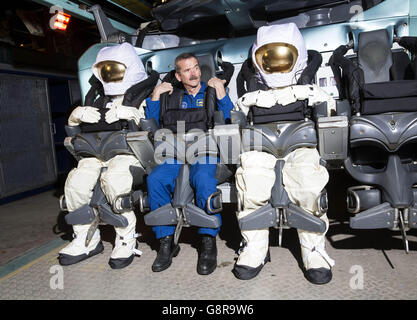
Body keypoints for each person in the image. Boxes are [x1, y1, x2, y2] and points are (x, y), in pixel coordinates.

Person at [233, 23, 335, 284]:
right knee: (250, 182)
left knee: (307, 183)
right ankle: (255, 248)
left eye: (282, 55)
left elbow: (330, 112)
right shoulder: (251, 97)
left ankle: (313, 251)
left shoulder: (309, 92)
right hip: (261, 148)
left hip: (300, 148)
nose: (276, 63)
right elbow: (235, 120)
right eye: (269, 57)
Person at [58, 42, 156, 269]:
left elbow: (156, 129)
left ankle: (125, 237)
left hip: (128, 153)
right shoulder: (96, 97)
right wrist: (75, 117)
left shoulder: (144, 95)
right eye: (107, 70)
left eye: (116, 69)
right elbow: (76, 132)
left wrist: (133, 114)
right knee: (76, 183)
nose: (111, 75)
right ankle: (86, 237)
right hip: (95, 153)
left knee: (115, 180)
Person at [145, 52, 234, 275]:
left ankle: (207, 241)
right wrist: (156, 94)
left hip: (205, 150)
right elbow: (151, 122)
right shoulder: (171, 95)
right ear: (178, 75)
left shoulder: (212, 89)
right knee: (156, 179)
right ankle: (166, 241)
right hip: (175, 151)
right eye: (187, 70)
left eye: (196, 68)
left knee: (203, 179)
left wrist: (222, 94)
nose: (194, 73)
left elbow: (230, 120)